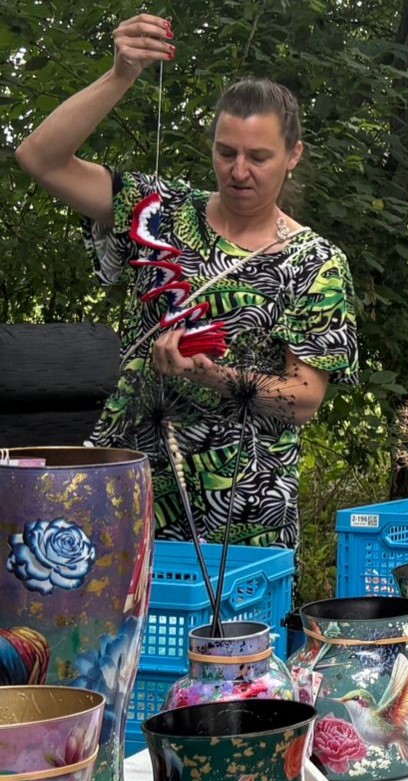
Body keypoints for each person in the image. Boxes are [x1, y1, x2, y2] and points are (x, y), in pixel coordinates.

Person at [16, 13, 358, 548]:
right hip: (127, 500)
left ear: (293, 156)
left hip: (243, 523)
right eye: (227, 152)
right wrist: (120, 75)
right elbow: (39, 159)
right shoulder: (160, 210)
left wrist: (210, 376)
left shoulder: (314, 263)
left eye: (258, 157)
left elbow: (305, 398)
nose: (239, 170)